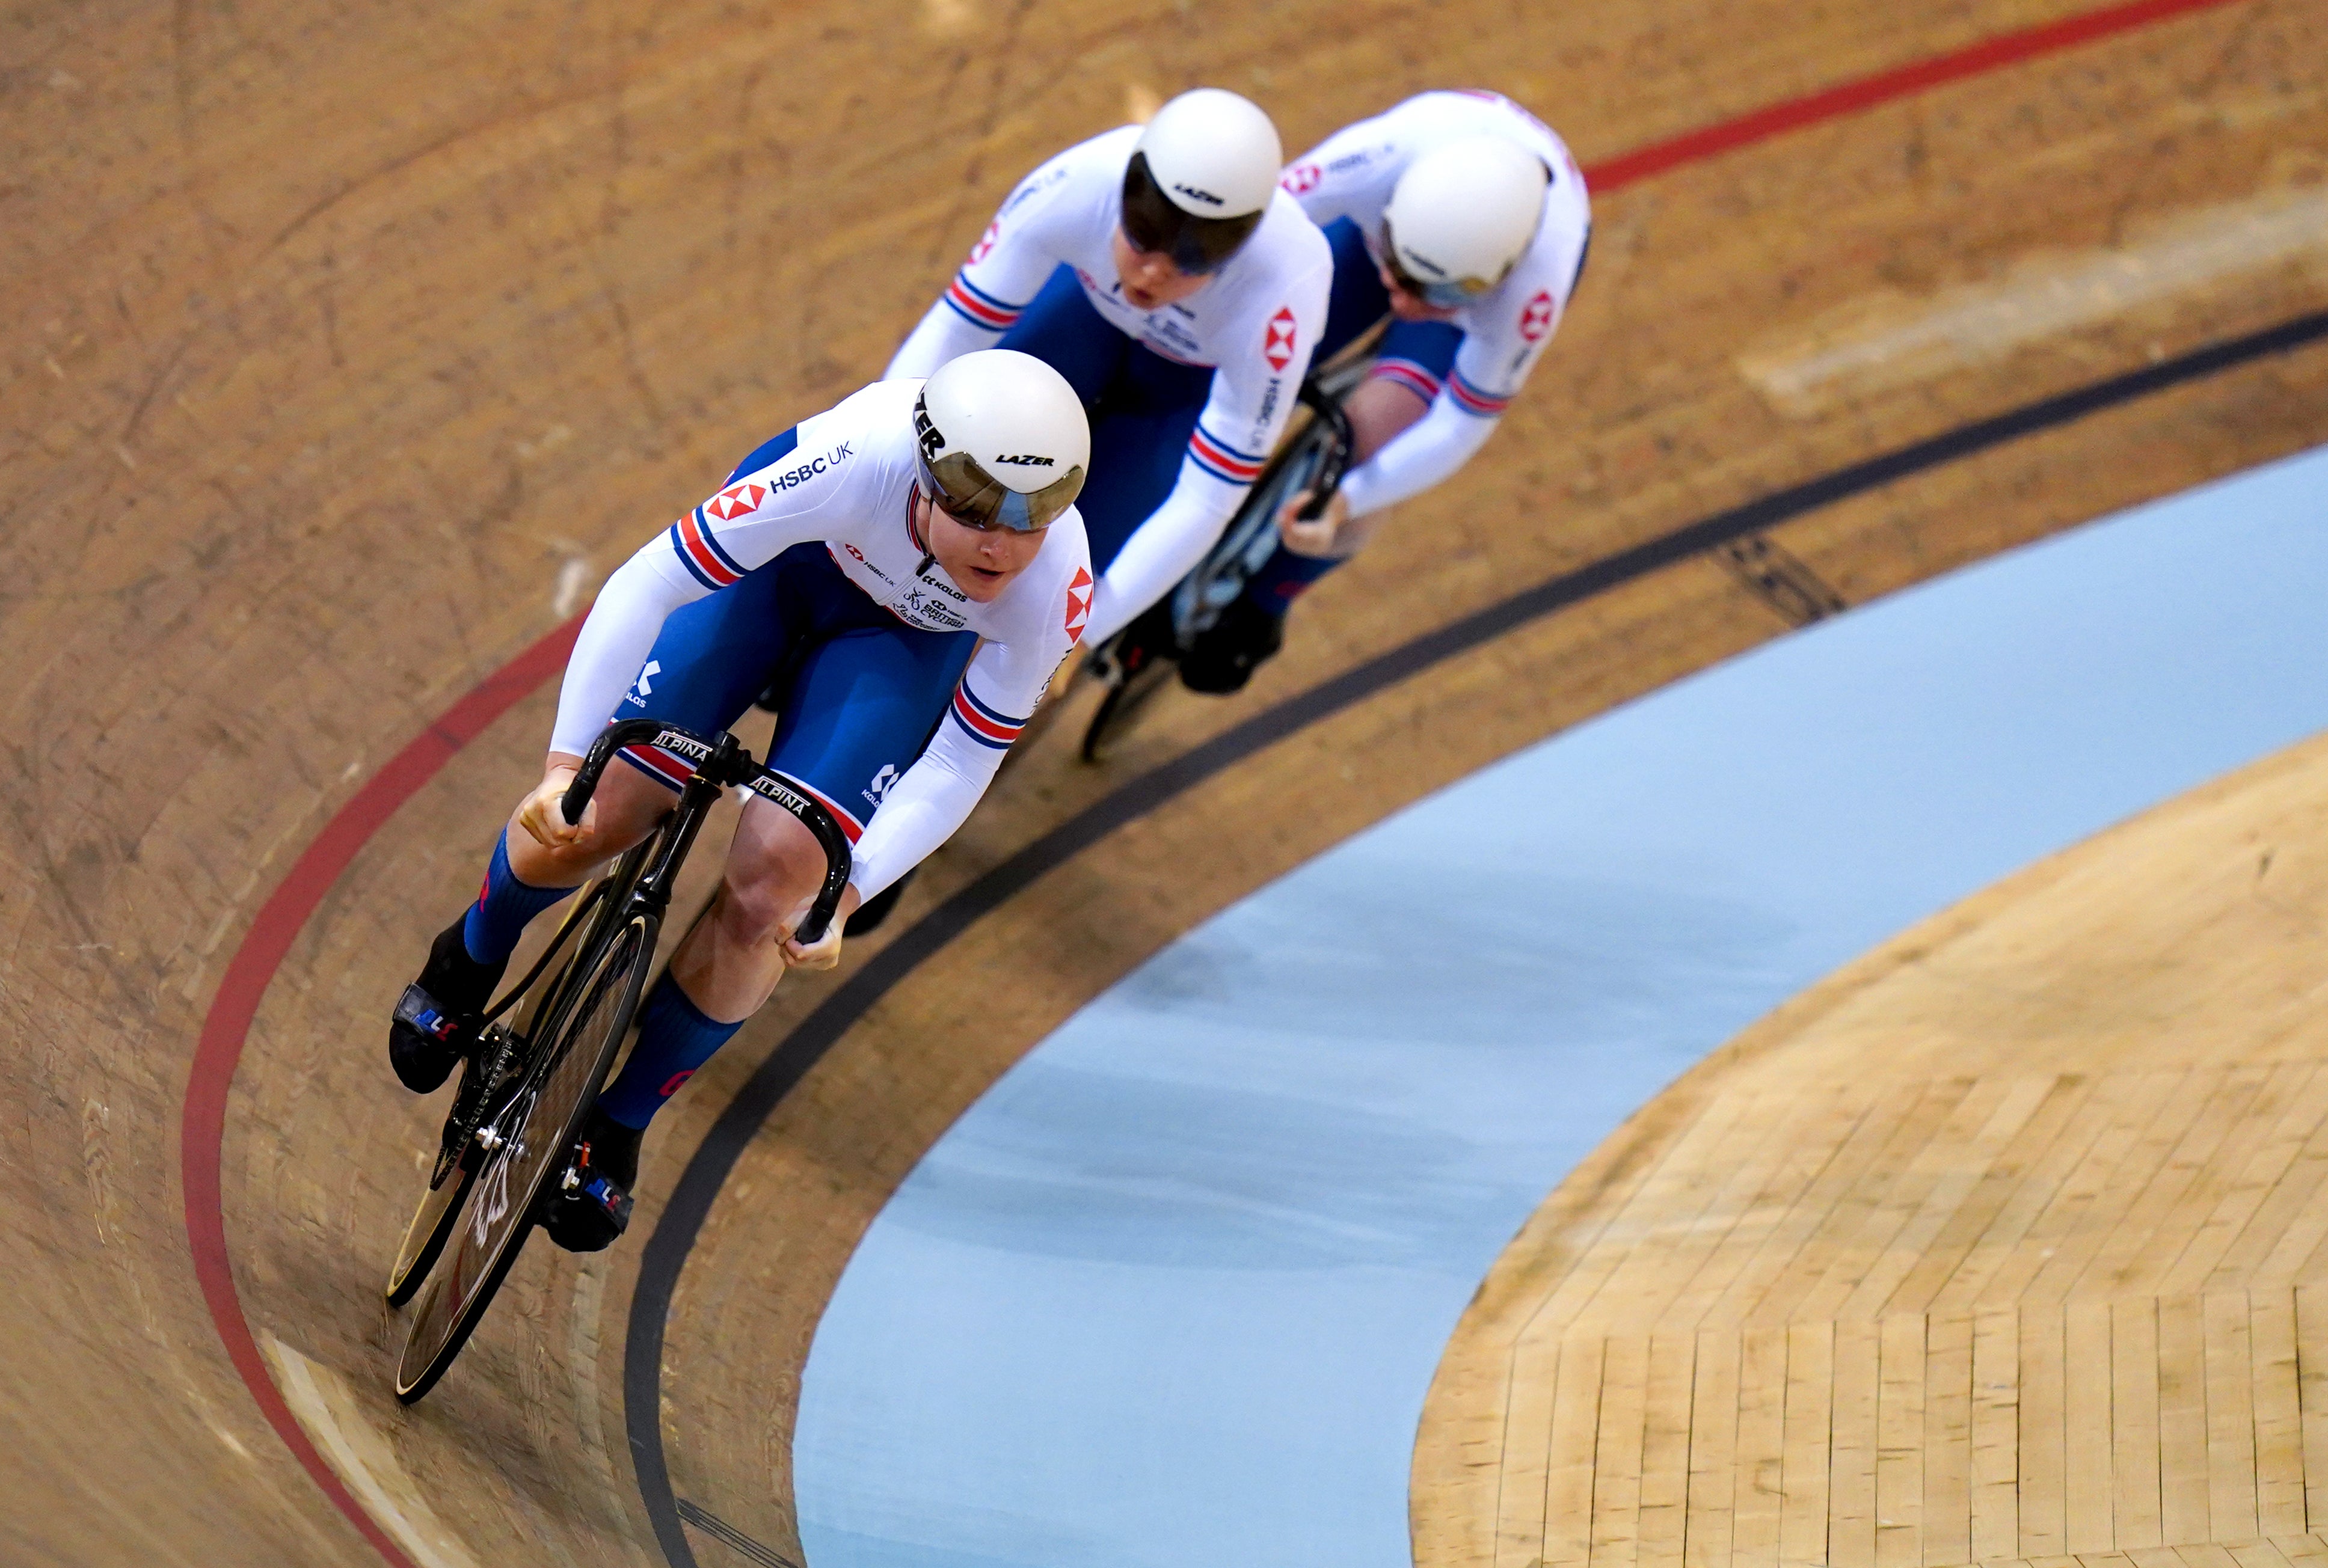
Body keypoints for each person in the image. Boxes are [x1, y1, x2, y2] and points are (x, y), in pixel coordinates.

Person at [387, 351, 1094, 1251]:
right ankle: (469, 955)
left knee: (777, 895)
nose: (999, 541)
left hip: (895, 652)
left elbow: (961, 759)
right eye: (974, 509)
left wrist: (852, 886)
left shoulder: (1052, 587)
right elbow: (652, 580)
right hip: (779, 576)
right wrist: (567, 762)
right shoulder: (851, 459)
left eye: (1029, 517)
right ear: (923, 472)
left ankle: (618, 1124)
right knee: (598, 810)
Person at [1175, 90, 1593, 693]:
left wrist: (1343, 503)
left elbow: (1458, 426)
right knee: (1230, 344)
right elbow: (1247, 239)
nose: (1402, 304)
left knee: (1369, 437)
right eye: (1398, 275)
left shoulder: (1532, 290)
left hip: (1451, 306)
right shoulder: (1378, 159)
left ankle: (1263, 608)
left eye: (1435, 293)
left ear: (1497, 277)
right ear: (1391, 212)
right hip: (1373, 242)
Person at [886, 87, 1332, 651]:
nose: (1150, 275)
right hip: (1084, 322)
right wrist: (882, 460)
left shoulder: (1284, 292)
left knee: (1068, 566)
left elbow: (1207, 497)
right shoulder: (1079, 182)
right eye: (1142, 233)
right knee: (960, 453)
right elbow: (957, 330)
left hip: (1178, 390)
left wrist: (1085, 632)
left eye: (1191, 259)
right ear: (1125, 194)